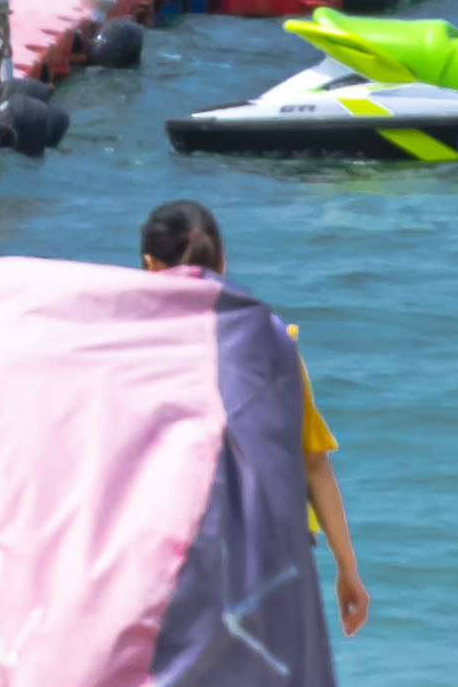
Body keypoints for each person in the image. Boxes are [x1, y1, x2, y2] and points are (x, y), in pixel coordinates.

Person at [139, 198, 366, 637]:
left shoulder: (129, 348)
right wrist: (348, 569)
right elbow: (313, 462)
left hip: (177, 556)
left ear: (149, 264)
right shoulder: (274, 343)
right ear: (222, 262)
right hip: (272, 558)